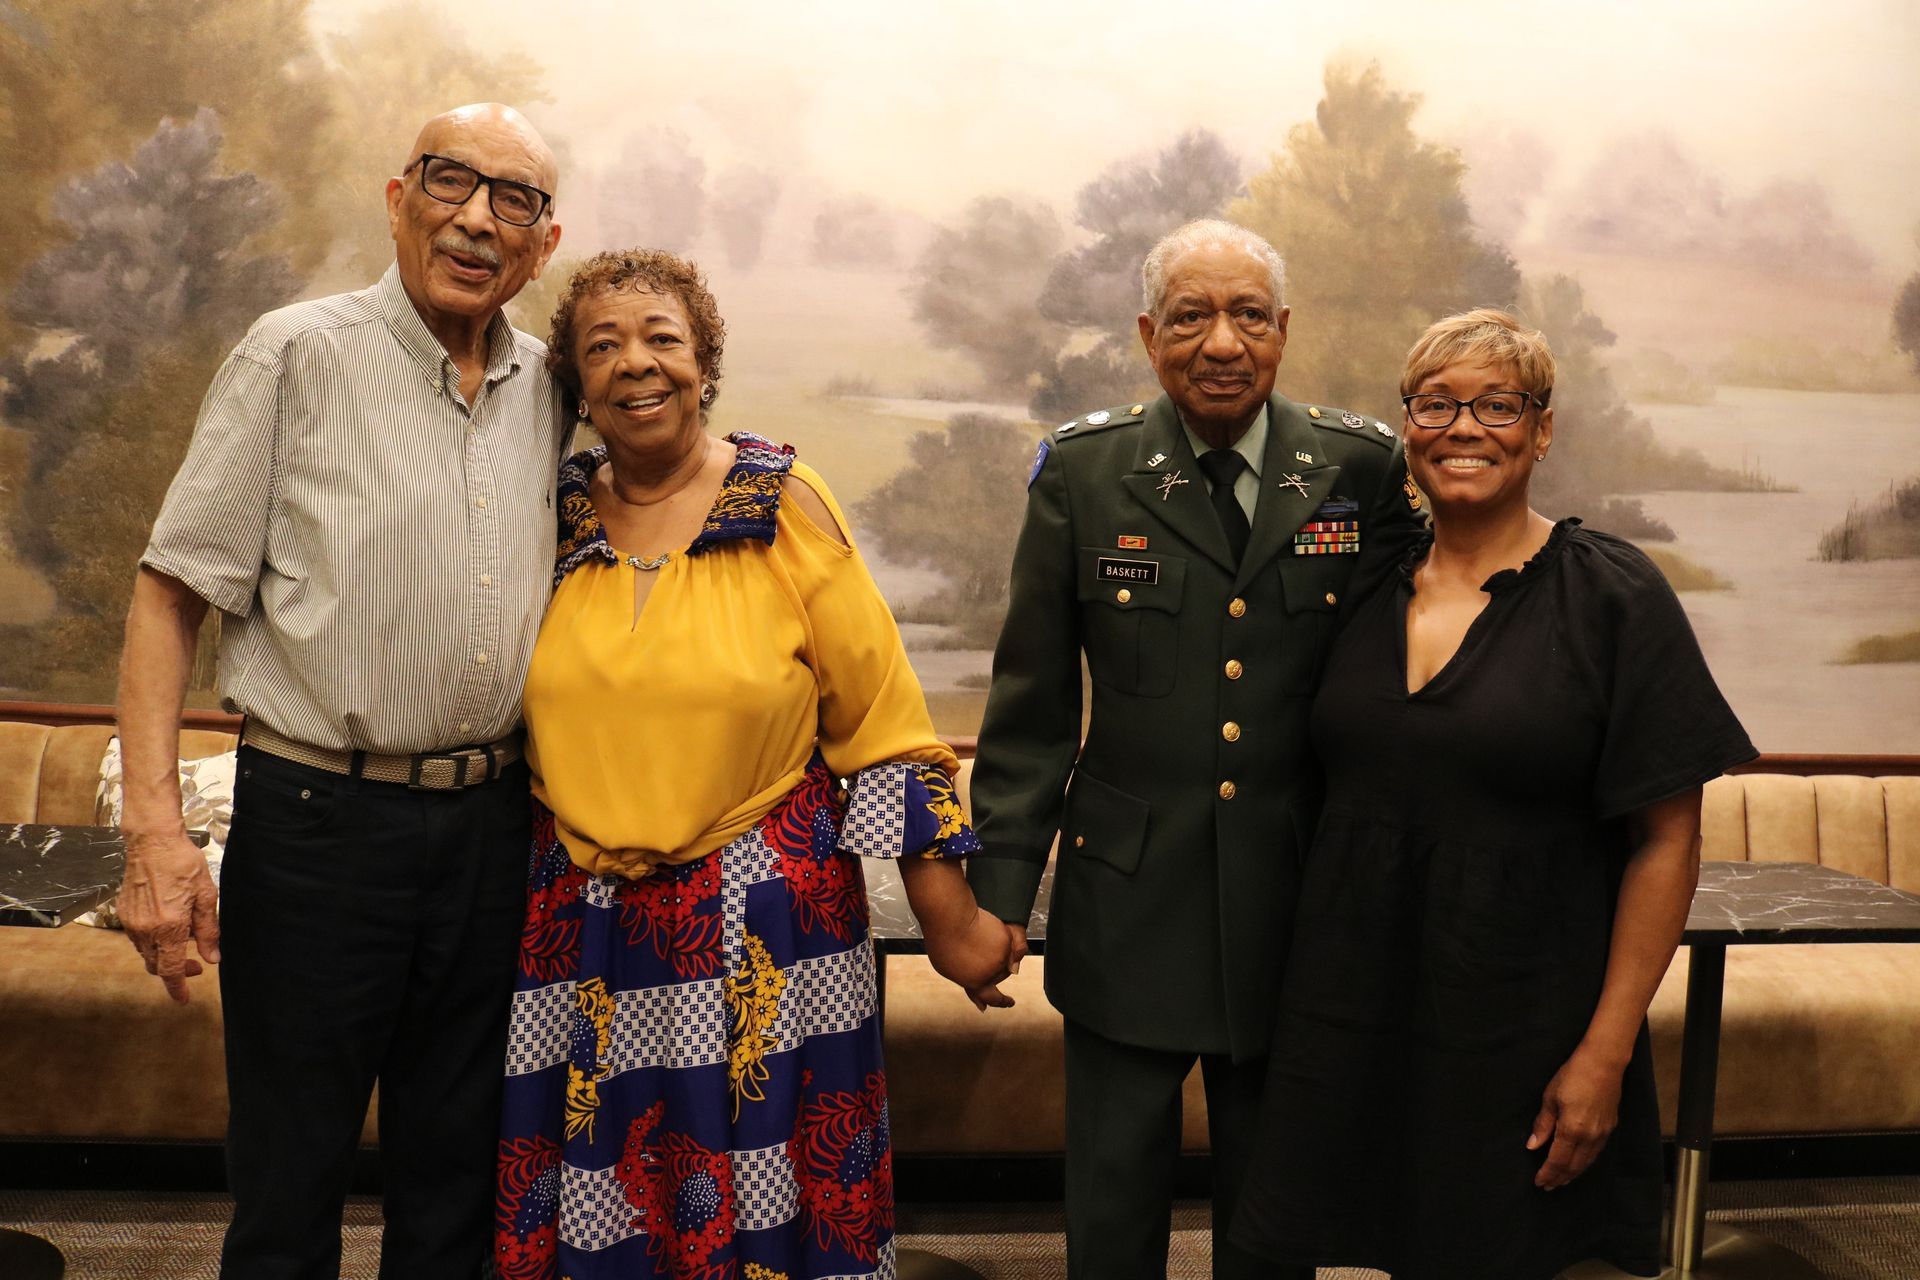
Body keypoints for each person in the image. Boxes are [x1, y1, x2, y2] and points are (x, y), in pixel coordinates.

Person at [491, 249, 1012, 1280]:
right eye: (603, 346)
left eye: (662, 339)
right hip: (583, 927)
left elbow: (883, 724)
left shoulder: (782, 499)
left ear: (704, 361)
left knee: (773, 1214)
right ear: (577, 384)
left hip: (769, 925)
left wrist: (952, 920)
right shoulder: (548, 516)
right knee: (609, 1219)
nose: (636, 364)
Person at [115, 103, 566, 1277]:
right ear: (398, 196)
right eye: (450, 181)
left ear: (543, 241)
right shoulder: (295, 352)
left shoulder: (552, 391)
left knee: (457, 1179)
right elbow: (170, 593)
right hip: (318, 826)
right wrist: (154, 833)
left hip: (495, 830)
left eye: (510, 198)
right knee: (289, 1172)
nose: (475, 218)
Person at [1230, 310, 1759, 1279]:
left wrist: (1602, 1055)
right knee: (1284, 1249)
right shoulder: (1356, 584)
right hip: (1341, 1022)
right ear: (1408, 427)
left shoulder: (1613, 596)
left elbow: (1666, 842)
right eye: (1436, 403)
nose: (1463, 426)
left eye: (1496, 404)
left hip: (1519, 1035)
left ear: (1542, 429)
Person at [965, 218, 1426, 1280]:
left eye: (1248, 315)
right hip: (1127, 894)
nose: (1222, 342)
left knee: (1272, 1213)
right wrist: (998, 891)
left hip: (1295, 893)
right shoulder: (1084, 473)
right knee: (1115, 1202)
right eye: (1191, 316)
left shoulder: (1360, 467)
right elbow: (1033, 706)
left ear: (1283, 330)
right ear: (1147, 333)